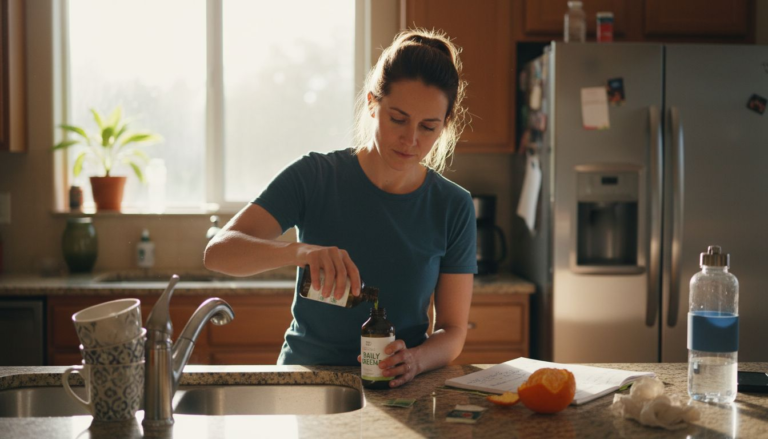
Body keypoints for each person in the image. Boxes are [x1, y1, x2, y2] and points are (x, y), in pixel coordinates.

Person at [204, 28, 477, 388]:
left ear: (444, 127)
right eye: (398, 119)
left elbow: (453, 329)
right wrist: (299, 251)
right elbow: (218, 253)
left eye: (428, 127)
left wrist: (415, 360)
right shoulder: (315, 177)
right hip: (306, 382)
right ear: (372, 104)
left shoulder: (453, 206)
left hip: (397, 387)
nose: (411, 140)